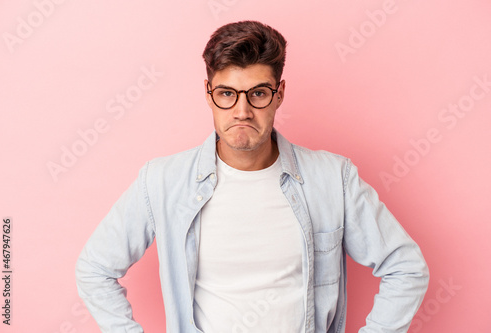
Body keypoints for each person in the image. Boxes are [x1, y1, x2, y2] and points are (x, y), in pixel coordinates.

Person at [75, 20, 429, 333]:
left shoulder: (333, 179)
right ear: (209, 94)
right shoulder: (163, 182)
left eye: (258, 94)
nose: (242, 112)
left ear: (279, 94)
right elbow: (95, 269)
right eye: (227, 94)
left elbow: (407, 268)